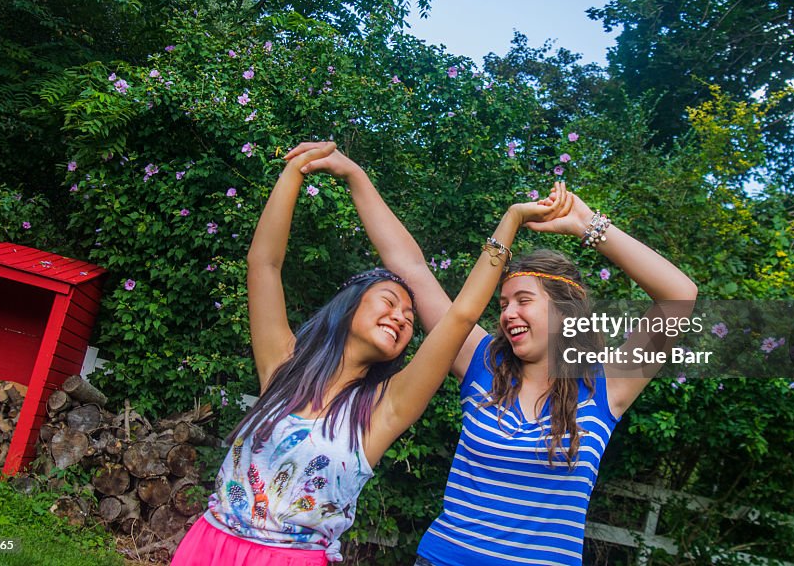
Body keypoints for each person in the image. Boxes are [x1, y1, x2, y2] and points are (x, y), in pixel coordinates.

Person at [293, 143, 697, 566]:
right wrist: (355, 175)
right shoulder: (482, 362)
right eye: (503, 304)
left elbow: (680, 297)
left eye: (523, 300)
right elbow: (410, 267)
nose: (508, 314)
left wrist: (587, 225)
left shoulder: (605, 385)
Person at [171, 141, 567, 565]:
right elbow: (263, 263)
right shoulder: (281, 368)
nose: (400, 316)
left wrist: (511, 220)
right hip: (208, 545)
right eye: (389, 301)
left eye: (409, 317)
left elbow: (460, 317)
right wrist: (295, 173)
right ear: (349, 308)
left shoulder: (384, 409)